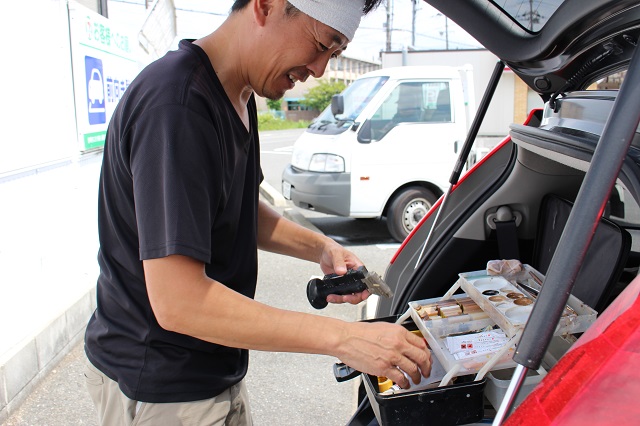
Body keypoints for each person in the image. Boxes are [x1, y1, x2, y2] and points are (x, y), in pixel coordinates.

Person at [84, 0, 432, 424]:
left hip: (210, 365)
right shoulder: (177, 108)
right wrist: (345, 338)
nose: (320, 70)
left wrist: (320, 246)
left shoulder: (239, 92)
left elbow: (239, 207)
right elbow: (178, 302)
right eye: (322, 44)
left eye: (334, 54)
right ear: (266, 6)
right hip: (160, 384)